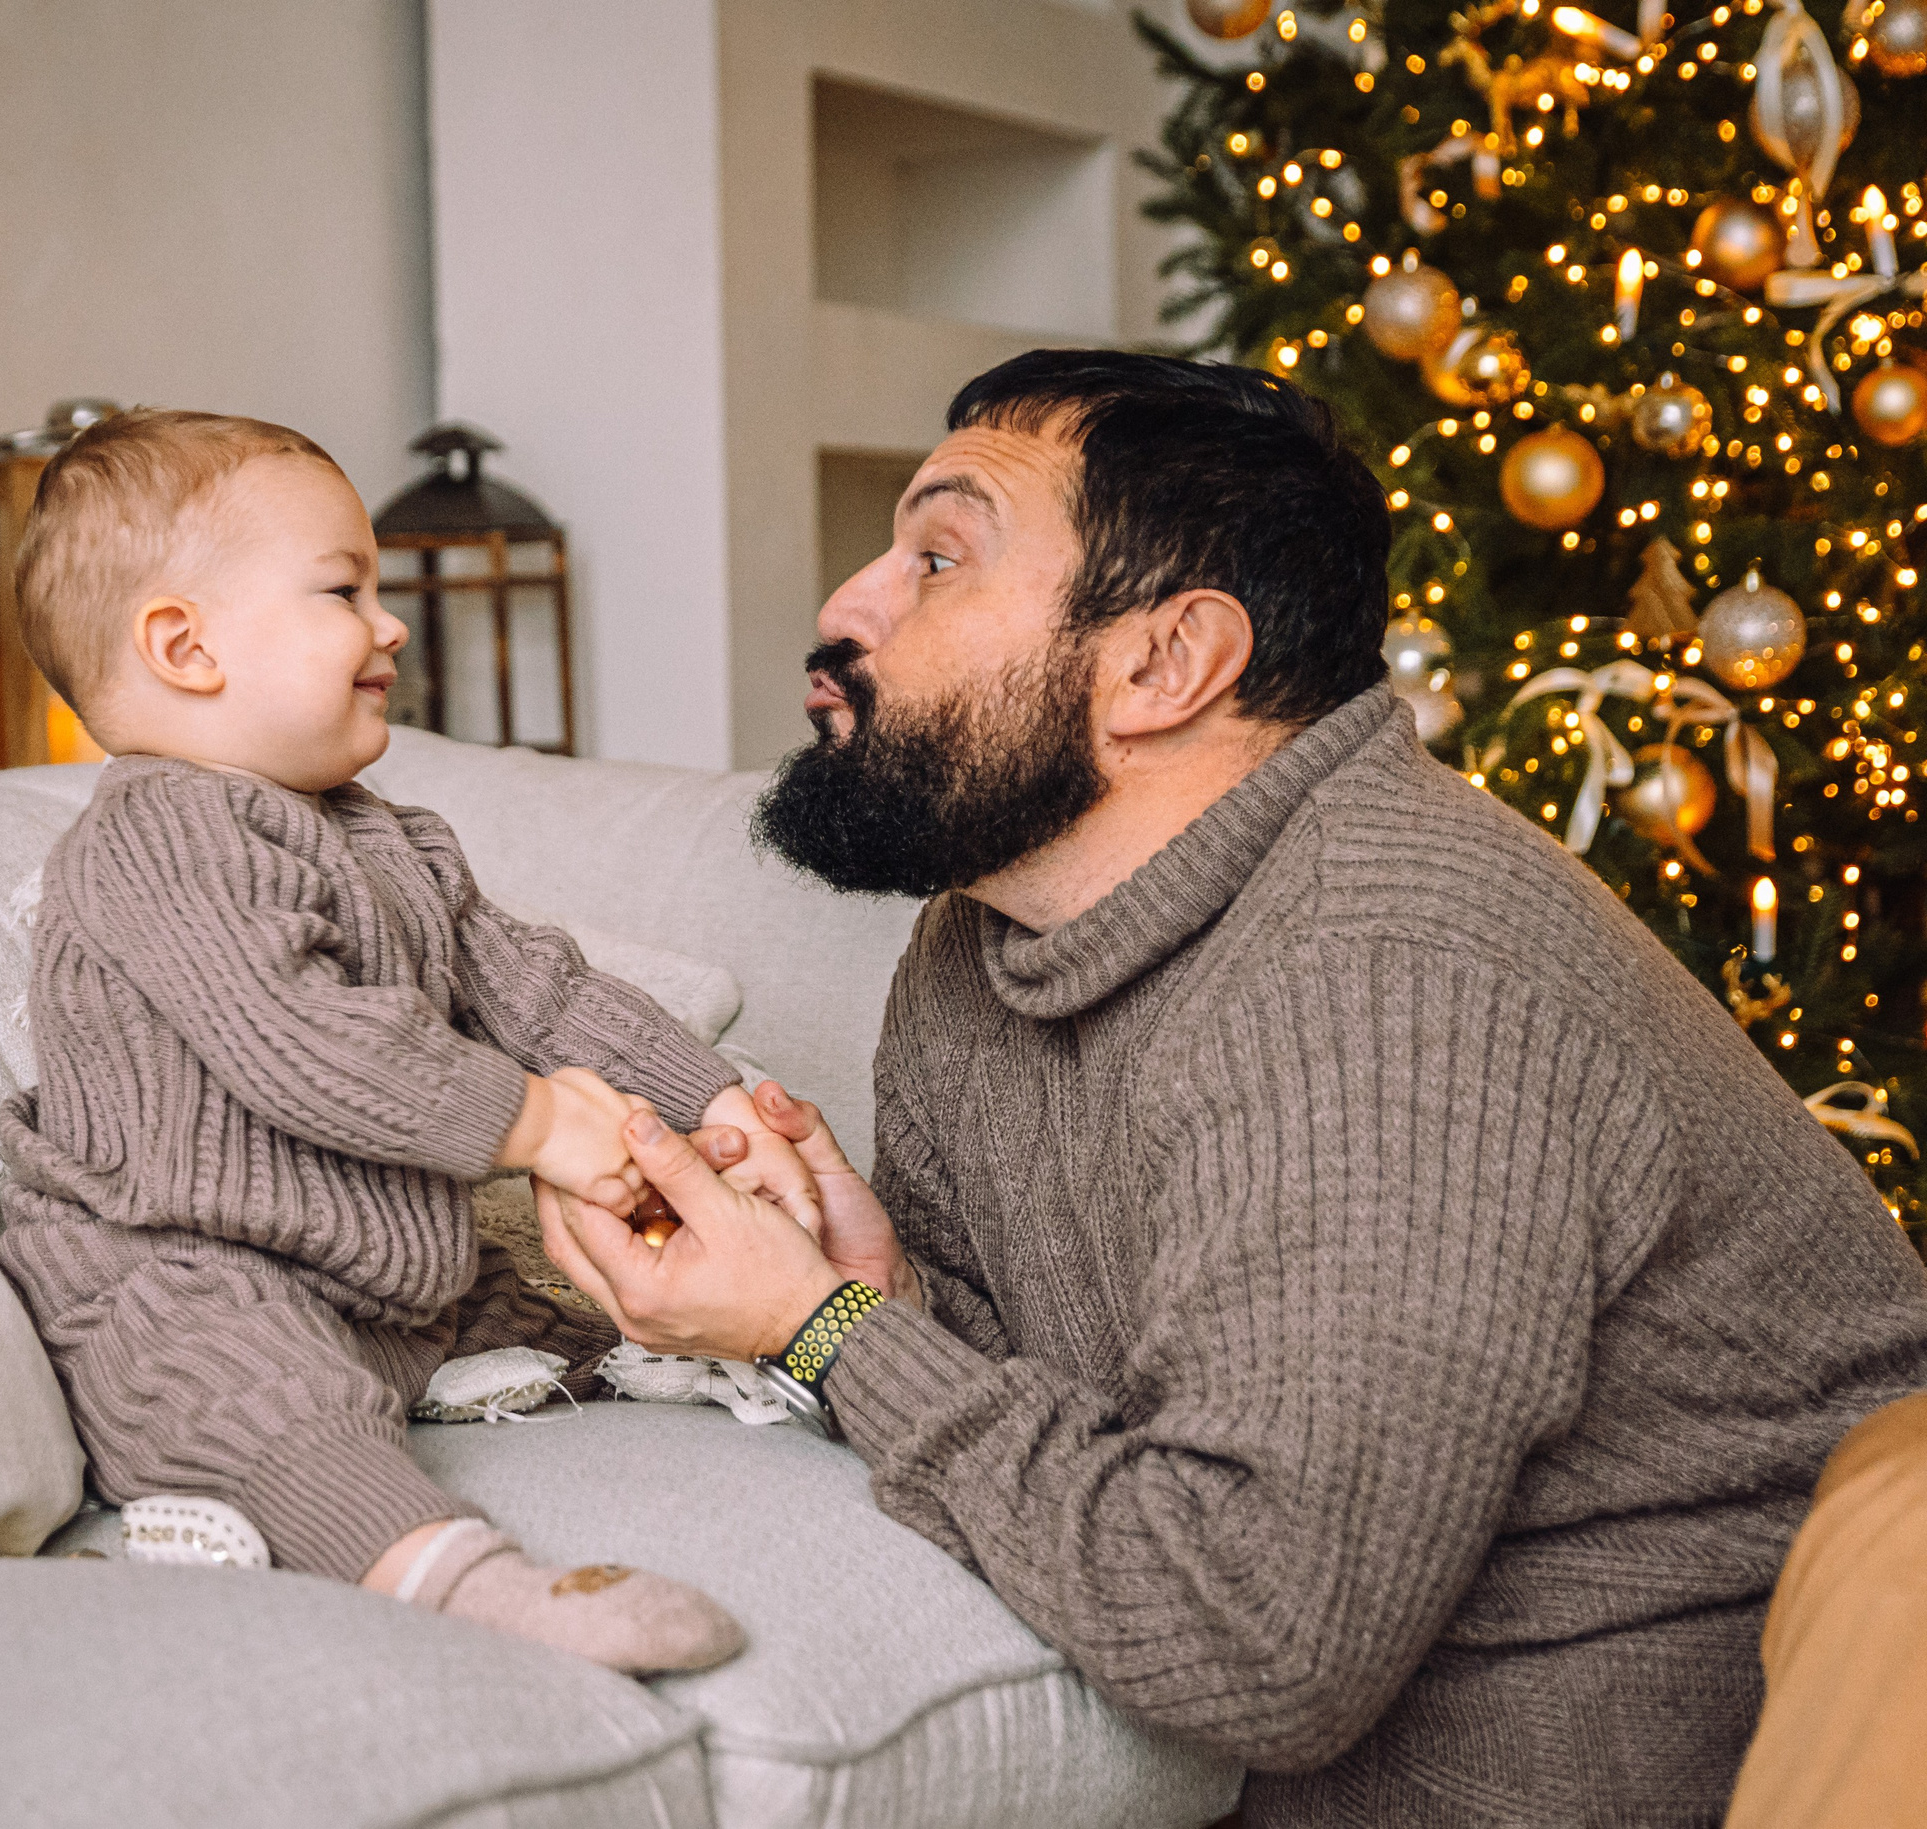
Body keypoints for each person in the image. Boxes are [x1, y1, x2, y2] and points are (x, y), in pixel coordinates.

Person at [538, 350, 1927, 1822]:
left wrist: (821, 1333)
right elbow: (1096, 1421)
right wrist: (890, 1302)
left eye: (937, 557)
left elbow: (1260, 1642)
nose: (848, 609)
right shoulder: (989, 931)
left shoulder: (1387, 973)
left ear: (1163, 662)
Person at [0, 408, 818, 1675]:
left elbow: (539, 993)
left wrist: (715, 1107)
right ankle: (466, 1581)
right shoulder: (155, 835)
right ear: (183, 644)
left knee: (581, 1300)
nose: (389, 623)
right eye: (343, 589)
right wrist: (540, 1124)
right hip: (184, 1269)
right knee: (268, 1406)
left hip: (386, 1272)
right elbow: (303, 1041)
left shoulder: (389, 835)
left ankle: (748, 1353)